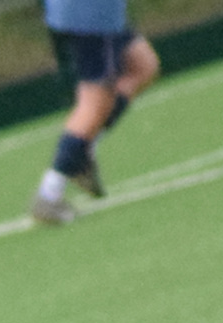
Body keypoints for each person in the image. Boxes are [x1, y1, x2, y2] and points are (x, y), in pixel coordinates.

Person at [31, 0, 159, 225]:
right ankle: (49, 193)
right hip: (90, 15)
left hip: (90, 13)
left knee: (143, 66)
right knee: (96, 100)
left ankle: (82, 153)